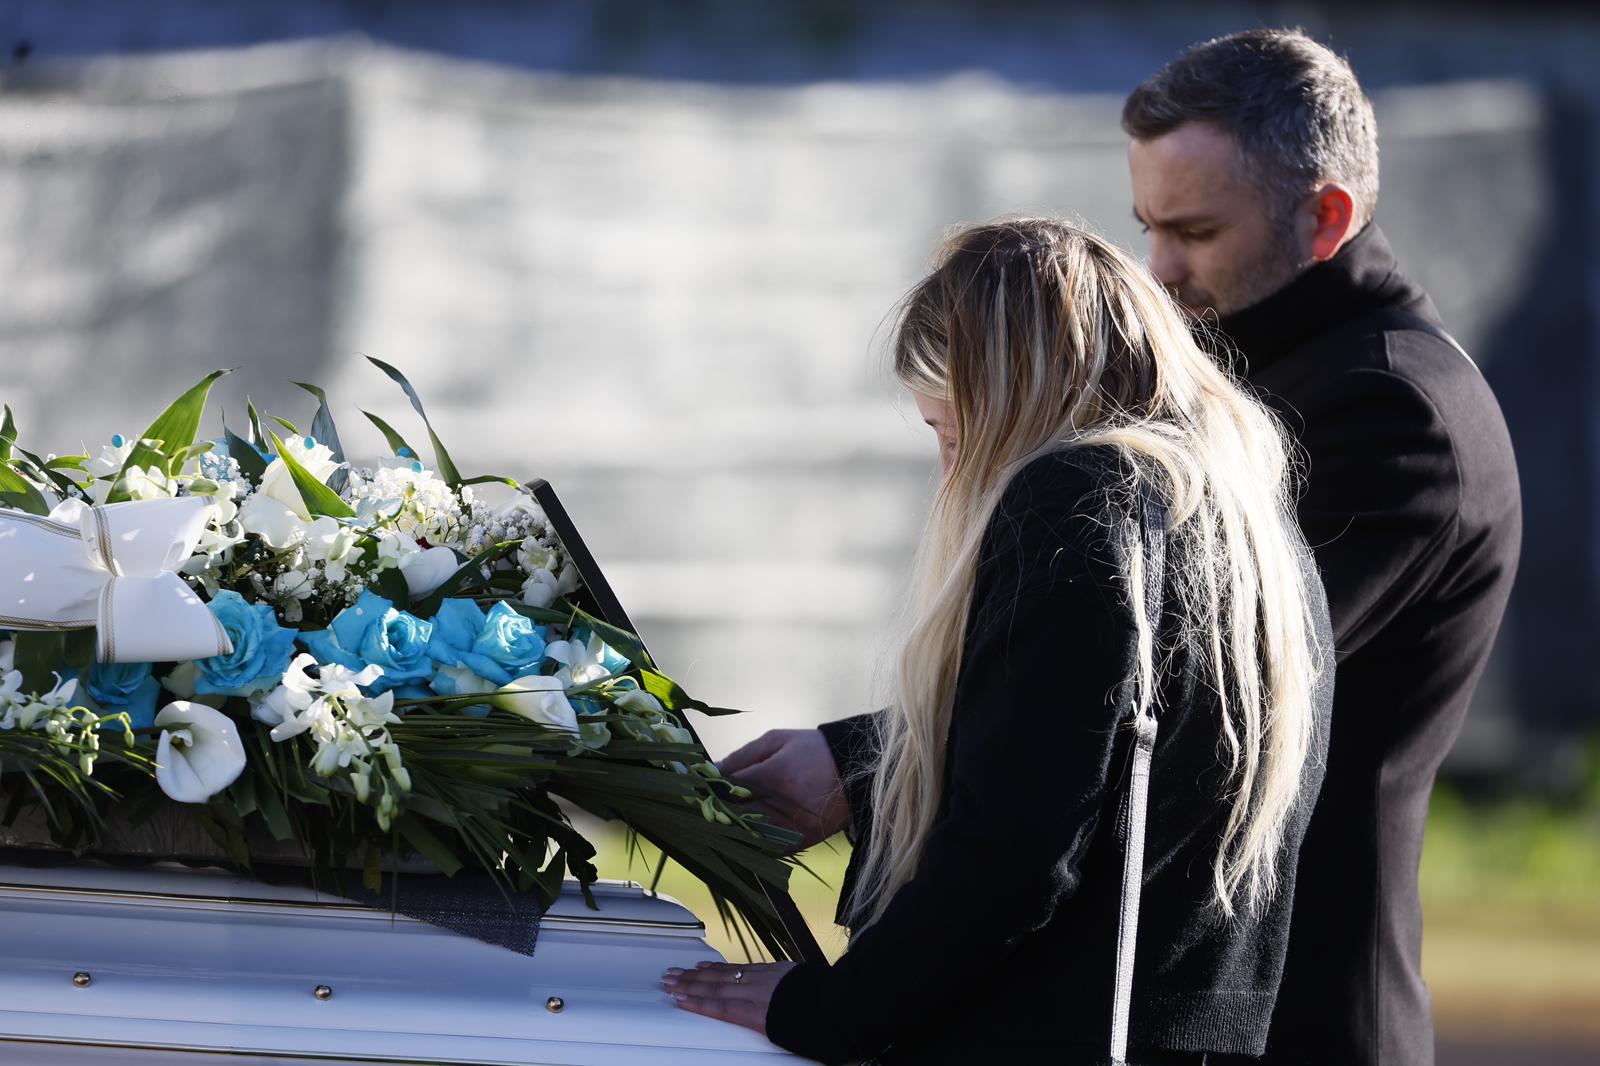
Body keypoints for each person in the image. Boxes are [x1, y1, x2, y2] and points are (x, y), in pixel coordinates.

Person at [662, 218, 1334, 1064]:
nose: (950, 472)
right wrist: (863, 766)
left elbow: (1013, 854)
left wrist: (829, 1010)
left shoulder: (1076, 496)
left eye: (950, 433)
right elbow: (1098, 760)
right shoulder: (1247, 526)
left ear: (1014, 403)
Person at [1120, 29, 1521, 1066]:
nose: (1157, 273)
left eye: (1196, 232)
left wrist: (863, 763)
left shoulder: (1390, 411)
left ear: (1327, 215)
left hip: (1292, 1021)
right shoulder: (1267, 375)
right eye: (1148, 229)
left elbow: (1186, 686)